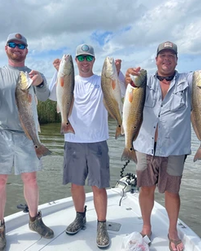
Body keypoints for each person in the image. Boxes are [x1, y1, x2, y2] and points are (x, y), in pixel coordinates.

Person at [125, 41, 201, 251]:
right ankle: (147, 226)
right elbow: (126, 88)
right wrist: (127, 74)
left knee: (172, 192)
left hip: (175, 148)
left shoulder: (189, 80)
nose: (166, 59)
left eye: (171, 56)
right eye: (162, 55)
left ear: (176, 60)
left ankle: (173, 231)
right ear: (156, 59)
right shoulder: (144, 80)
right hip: (144, 146)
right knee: (145, 189)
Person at [0, 33, 54, 251]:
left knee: (31, 179)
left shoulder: (34, 75)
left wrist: (41, 81)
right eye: (13, 44)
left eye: (21, 45)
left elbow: (45, 96)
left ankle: (34, 219)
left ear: (27, 50)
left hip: (27, 134)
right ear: (6, 48)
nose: (17, 48)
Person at [49, 44, 125, 248]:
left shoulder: (103, 81)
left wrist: (118, 73)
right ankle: (80, 217)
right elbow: (50, 95)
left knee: (98, 186)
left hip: (97, 141)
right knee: (76, 185)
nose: (84, 61)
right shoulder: (66, 80)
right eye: (81, 58)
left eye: (88, 58)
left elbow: (123, 90)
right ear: (75, 61)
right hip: (72, 141)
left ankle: (101, 225)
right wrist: (57, 73)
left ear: (94, 60)